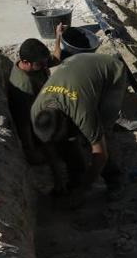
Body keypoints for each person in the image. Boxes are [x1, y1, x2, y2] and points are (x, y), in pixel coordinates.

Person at [31, 53, 129, 203]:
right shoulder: (36, 111)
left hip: (110, 72)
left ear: (66, 120)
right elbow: (48, 148)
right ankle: (76, 176)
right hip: (74, 65)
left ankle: (115, 179)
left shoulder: (82, 112)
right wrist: (58, 180)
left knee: (102, 132)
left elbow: (100, 154)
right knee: (65, 142)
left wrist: (83, 191)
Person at [7, 25, 63, 163]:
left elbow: (55, 59)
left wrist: (58, 36)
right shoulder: (23, 87)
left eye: (44, 62)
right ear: (26, 62)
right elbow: (24, 124)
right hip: (38, 122)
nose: (45, 66)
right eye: (41, 64)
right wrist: (30, 151)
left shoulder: (36, 64)